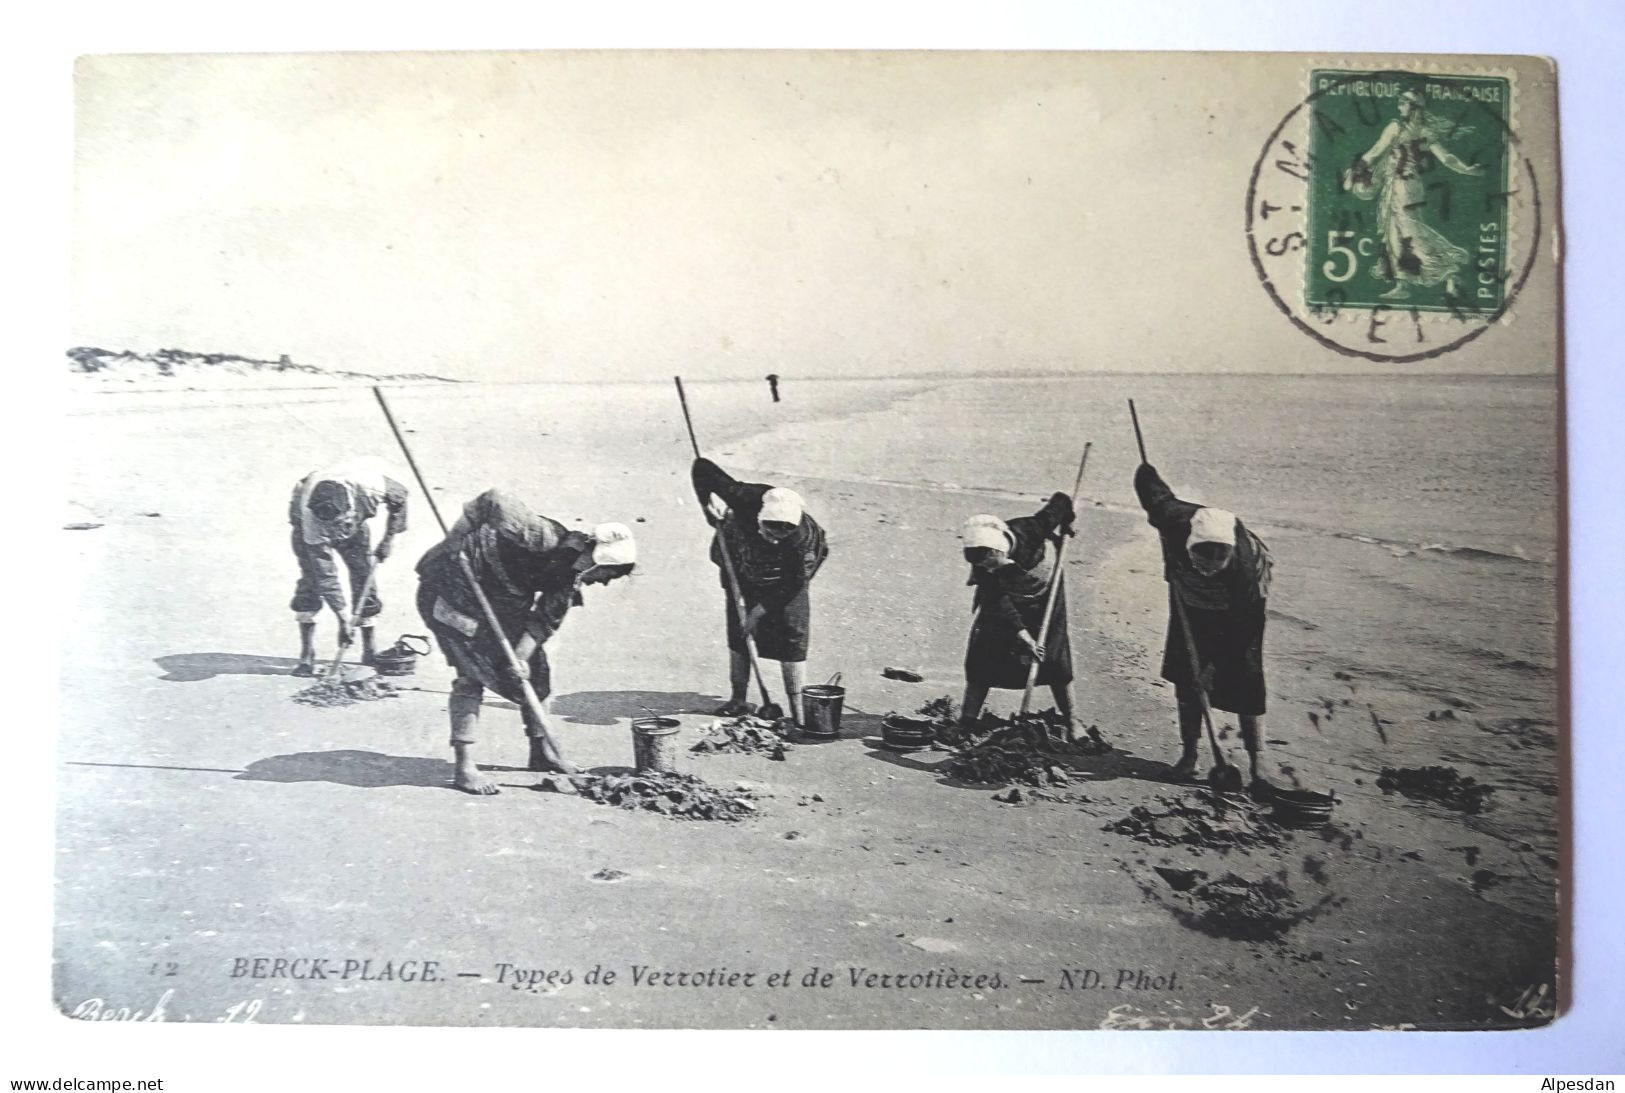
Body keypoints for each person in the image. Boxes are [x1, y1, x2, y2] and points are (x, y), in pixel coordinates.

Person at [415, 488, 636, 795]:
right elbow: (494, 500)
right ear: (598, 560)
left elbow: (543, 621)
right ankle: (464, 767)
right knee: (472, 673)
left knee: (537, 674)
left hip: (501, 603)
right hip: (453, 590)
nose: (604, 582)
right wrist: (456, 537)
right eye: (609, 574)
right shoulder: (544, 537)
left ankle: (542, 752)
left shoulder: (568, 582)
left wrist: (519, 658)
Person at [1133, 461, 1275, 795]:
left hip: (1238, 609)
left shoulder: (1245, 571)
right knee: (1187, 676)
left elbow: (1242, 634)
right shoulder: (1174, 518)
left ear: (1227, 557)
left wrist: (1212, 667)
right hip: (1190, 597)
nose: (1208, 570)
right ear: (1190, 545)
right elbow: (1150, 488)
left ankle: (1259, 767)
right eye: (1202, 562)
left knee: (1246, 678)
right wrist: (1146, 469)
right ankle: (1189, 756)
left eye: (1215, 565)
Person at [690, 457, 828, 724]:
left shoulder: (803, 544)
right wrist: (706, 506)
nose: (774, 539)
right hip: (741, 558)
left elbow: (794, 584)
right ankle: (738, 699)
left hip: (784, 577)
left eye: (781, 537)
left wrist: (759, 612)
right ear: (760, 518)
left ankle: (797, 710)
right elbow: (702, 468)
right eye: (769, 531)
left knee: (792, 632)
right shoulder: (744, 497)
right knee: (739, 628)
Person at [1342, 87, 1485, 301]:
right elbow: (1447, 159)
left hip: (1399, 184)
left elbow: (1375, 152)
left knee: (1404, 231)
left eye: (1403, 102)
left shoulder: (1396, 127)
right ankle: (1409, 281)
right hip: (1413, 186)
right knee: (1403, 231)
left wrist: (1355, 172)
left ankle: (1448, 269)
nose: (1399, 105)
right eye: (1400, 102)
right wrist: (1466, 169)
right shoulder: (1426, 131)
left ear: (1413, 107)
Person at [959, 492, 1081, 738]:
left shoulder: (1031, 528)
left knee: (1054, 658)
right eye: (979, 566)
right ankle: (967, 720)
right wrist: (1024, 637)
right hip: (1009, 599)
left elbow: (1061, 500)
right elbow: (998, 603)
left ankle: (1073, 721)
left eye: (987, 563)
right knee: (982, 655)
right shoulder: (983, 565)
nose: (984, 569)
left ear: (998, 550)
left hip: (1047, 592)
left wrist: (1067, 520)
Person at [288, 457, 409, 675]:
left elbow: (400, 500)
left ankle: (369, 649)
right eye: (330, 527)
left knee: (364, 573)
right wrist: (343, 617)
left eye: (339, 524)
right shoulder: (310, 520)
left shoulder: (371, 487)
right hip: (305, 523)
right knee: (311, 580)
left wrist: (388, 539)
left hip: (356, 519)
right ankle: (307, 655)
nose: (336, 533)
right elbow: (326, 575)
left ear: (350, 508)